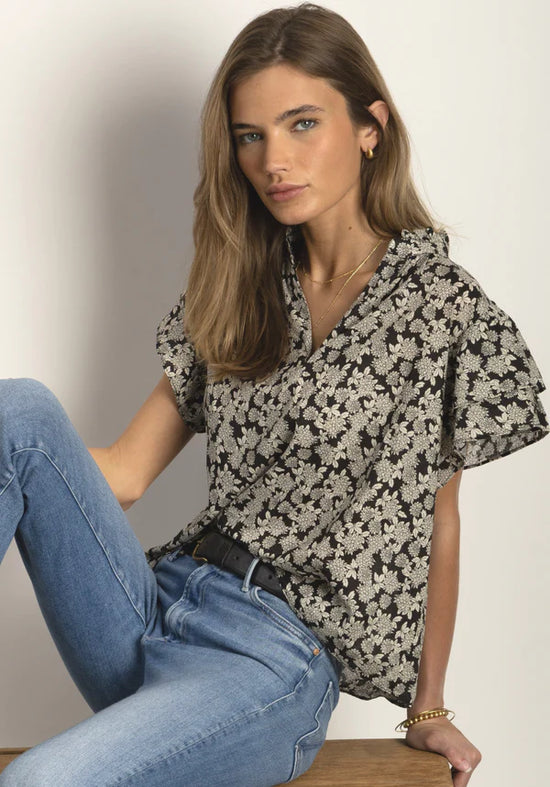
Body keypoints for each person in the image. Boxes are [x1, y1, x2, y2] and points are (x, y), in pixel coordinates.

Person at [0, 3, 548, 785]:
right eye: (250, 136)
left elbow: (440, 516)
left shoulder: (440, 307)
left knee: (36, 781)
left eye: (302, 124)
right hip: (158, 605)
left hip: (270, 665)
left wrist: (427, 706)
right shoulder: (241, 286)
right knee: (19, 411)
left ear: (371, 128)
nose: (273, 161)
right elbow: (121, 473)